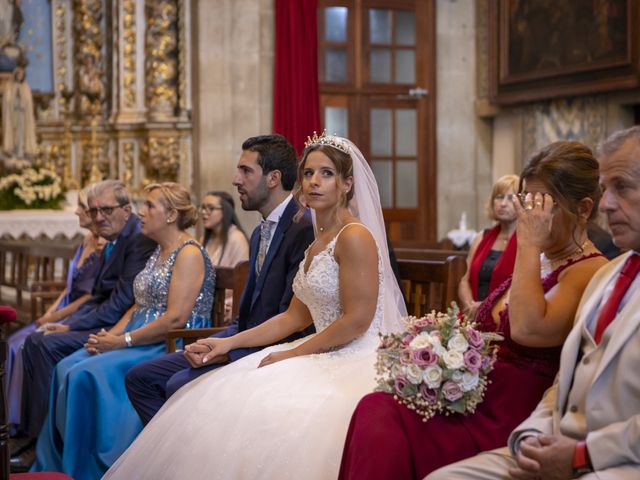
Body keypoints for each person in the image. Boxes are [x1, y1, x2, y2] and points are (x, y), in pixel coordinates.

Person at [104, 132, 407, 479]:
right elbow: (294, 315)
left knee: (252, 397)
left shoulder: (354, 236)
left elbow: (356, 321)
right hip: (317, 348)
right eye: (308, 173)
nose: (313, 182)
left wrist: (293, 354)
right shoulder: (318, 241)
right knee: (219, 391)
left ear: (347, 183)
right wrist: (228, 342)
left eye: (326, 174)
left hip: (354, 352)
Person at [338, 141, 609, 480]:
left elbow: (527, 329)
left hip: (512, 414)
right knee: (376, 405)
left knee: (383, 415)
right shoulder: (543, 258)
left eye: (540, 205)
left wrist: (526, 242)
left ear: (583, 209)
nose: (529, 215)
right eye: (527, 201)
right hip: (476, 398)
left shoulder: (589, 269)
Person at [427, 126, 640, 480]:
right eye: (606, 190)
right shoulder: (611, 276)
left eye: (623, 187)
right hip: (551, 434)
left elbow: (526, 329)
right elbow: (566, 379)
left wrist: (581, 455)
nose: (608, 204)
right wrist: (533, 433)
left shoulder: (589, 269)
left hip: (616, 461)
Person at [124, 134, 315, 426]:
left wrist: (229, 348)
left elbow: (291, 321)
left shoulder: (303, 228)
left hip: (275, 349)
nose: (235, 179)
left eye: (246, 171)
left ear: (273, 178)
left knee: (178, 384)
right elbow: (248, 314)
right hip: (243, 338)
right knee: (140, 377)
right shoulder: (257, 234)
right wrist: (211, 341)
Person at [30, 182, 214, 479]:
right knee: (66, 365)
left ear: (170, 215)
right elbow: (137, 305)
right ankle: (58, 463)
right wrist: (109, 337)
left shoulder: (189, 253)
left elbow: (176, 319)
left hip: (168, 342)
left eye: (149, 206)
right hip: (139, 333)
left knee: (83, 374)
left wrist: (122, 342)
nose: (141, 212)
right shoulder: (158, 251)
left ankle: (90, 467)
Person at [18, 180, 156, 449]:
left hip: (119, 326)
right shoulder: (115, 239)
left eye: (106, 209)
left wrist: (70, 327)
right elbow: (95, 295)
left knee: (43, 344)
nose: (98, 217)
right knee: (36, 339)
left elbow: (119, 303)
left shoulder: (137, 242)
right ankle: (32, 433)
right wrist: (65, 321)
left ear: (127, 210)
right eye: (94, 211)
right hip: (105, 319)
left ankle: (43, 442)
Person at [6, 188, 104, 440]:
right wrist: (51, 312)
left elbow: (89, 296)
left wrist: (55, 318)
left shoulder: (104, 247)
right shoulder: (85, 242)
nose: (76, 213)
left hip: (82, 312)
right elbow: (68, 288)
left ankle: (27, 425)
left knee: (24, 344)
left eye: (82, 209)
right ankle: (11, 418)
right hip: (65, 308)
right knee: (12, 343)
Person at [458, 174, 519, 316]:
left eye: (510, 198)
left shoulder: (526, 241)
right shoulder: (481, 237)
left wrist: (485, 307)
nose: (503, 203)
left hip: (504, 317)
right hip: (471, 315)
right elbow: (464, 280)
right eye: (499, 197)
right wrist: (470, 306)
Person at [200, 190, 249, 267]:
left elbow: (241, 275)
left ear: (225, 211)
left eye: (211, 208)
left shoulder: (237, 239)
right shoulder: (204, 239)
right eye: (203, 208)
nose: (203, 212)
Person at [2, 64, 37, 159]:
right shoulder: (9, 87)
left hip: (23, 115)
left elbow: (28, 103)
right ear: (15, 75)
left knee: (22, 135)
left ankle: (21, 151)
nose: (20, 76)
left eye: (22, 75)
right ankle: (14, 150)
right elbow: (7, 101)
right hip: (13, 115)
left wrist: (23, 101)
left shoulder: (26, 88)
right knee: (14, 134)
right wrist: (14, 100)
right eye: (18, 74)